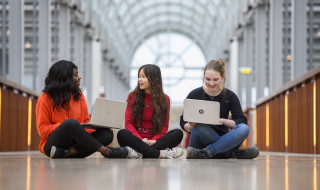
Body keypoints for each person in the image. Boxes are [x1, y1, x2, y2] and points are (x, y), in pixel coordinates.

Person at [36, 60, 128, 159]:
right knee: (70, 123)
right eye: (76, 75)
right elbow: (42, 129)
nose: (79, 78)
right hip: (53, 145)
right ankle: (105, 151)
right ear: (65, 78)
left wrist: (97, 125)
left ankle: (67, 153)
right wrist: (65, 127)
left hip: (76, 143)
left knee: (107, 134)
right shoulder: (45, 98)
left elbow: (85, 122)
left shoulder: (79, 96)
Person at [180, 60, 259, 159]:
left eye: (215, 79)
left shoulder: (230, 96)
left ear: (222, 77)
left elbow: (241, 120)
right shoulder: (194, 94)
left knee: (244, 128)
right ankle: (231, 153)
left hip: (222, 138)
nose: (211, 83)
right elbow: (183, 121)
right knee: (199, 127)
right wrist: (190, 126)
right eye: (208, 79)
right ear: (203, 77)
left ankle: (207, 152)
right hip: (201, 136)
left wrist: (221, 121)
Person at [117, 64, 184, 159]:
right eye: (139, 76)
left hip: (155, 141)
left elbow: (164, 126)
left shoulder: (165, 99)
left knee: (178, 133)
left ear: (153, 78)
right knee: (122, 134)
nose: (139, 80)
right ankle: (159, 154)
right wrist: (140, 140)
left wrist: (155, 140)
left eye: (143, 77)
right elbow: (128, 123)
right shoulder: (132, 96)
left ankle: (138, 152)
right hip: (136, 139)